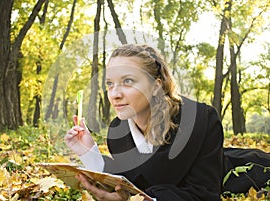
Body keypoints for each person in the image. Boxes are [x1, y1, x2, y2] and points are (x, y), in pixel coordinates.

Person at [64, 44, 268, 201]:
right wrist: (88, 152)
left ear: (155, 85)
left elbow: (203, 194)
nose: (115, 94)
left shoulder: (200, 119)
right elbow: (129, 180)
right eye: (110, 84)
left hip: (243, 168)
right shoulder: (117, 132)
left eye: (128, 81)